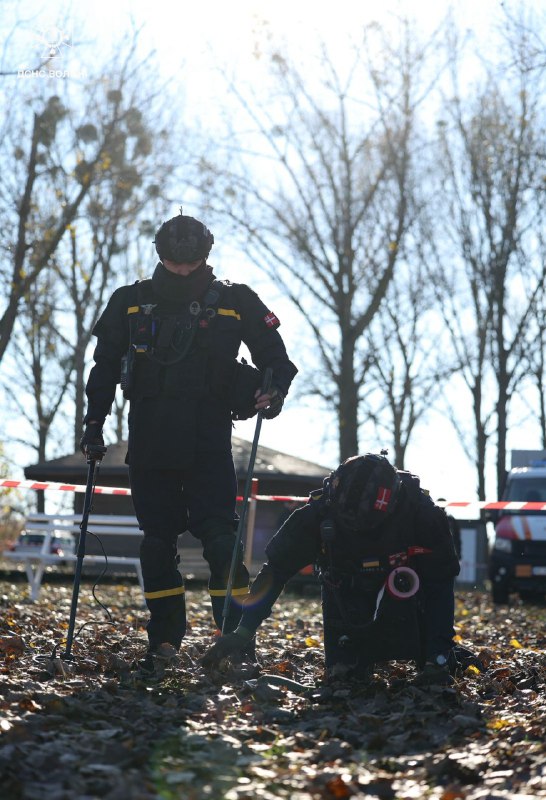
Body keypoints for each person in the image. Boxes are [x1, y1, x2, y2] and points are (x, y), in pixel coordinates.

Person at [79, 212, 298, 676]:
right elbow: (103, 366)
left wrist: (272, 392)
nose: (182, 273)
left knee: (221, 541)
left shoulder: (236, 301)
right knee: (156, 545)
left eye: (192, 264)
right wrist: (94, 422)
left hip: (209, 442)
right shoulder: (129, 301)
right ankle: (163, 642)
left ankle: (234, 640)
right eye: (173, 264)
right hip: (151, 440)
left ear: (206, 256)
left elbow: (277, 359)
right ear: (159, 255)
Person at [202, 452, 461, 685]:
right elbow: (276, 571)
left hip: (408, 600)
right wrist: (243, 631)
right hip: (346, 595)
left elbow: (441, 584)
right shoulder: (317, 514)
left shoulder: (423, 515)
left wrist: (437, 657)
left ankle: (435, 653)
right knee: (343, 675)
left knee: (434, 663)